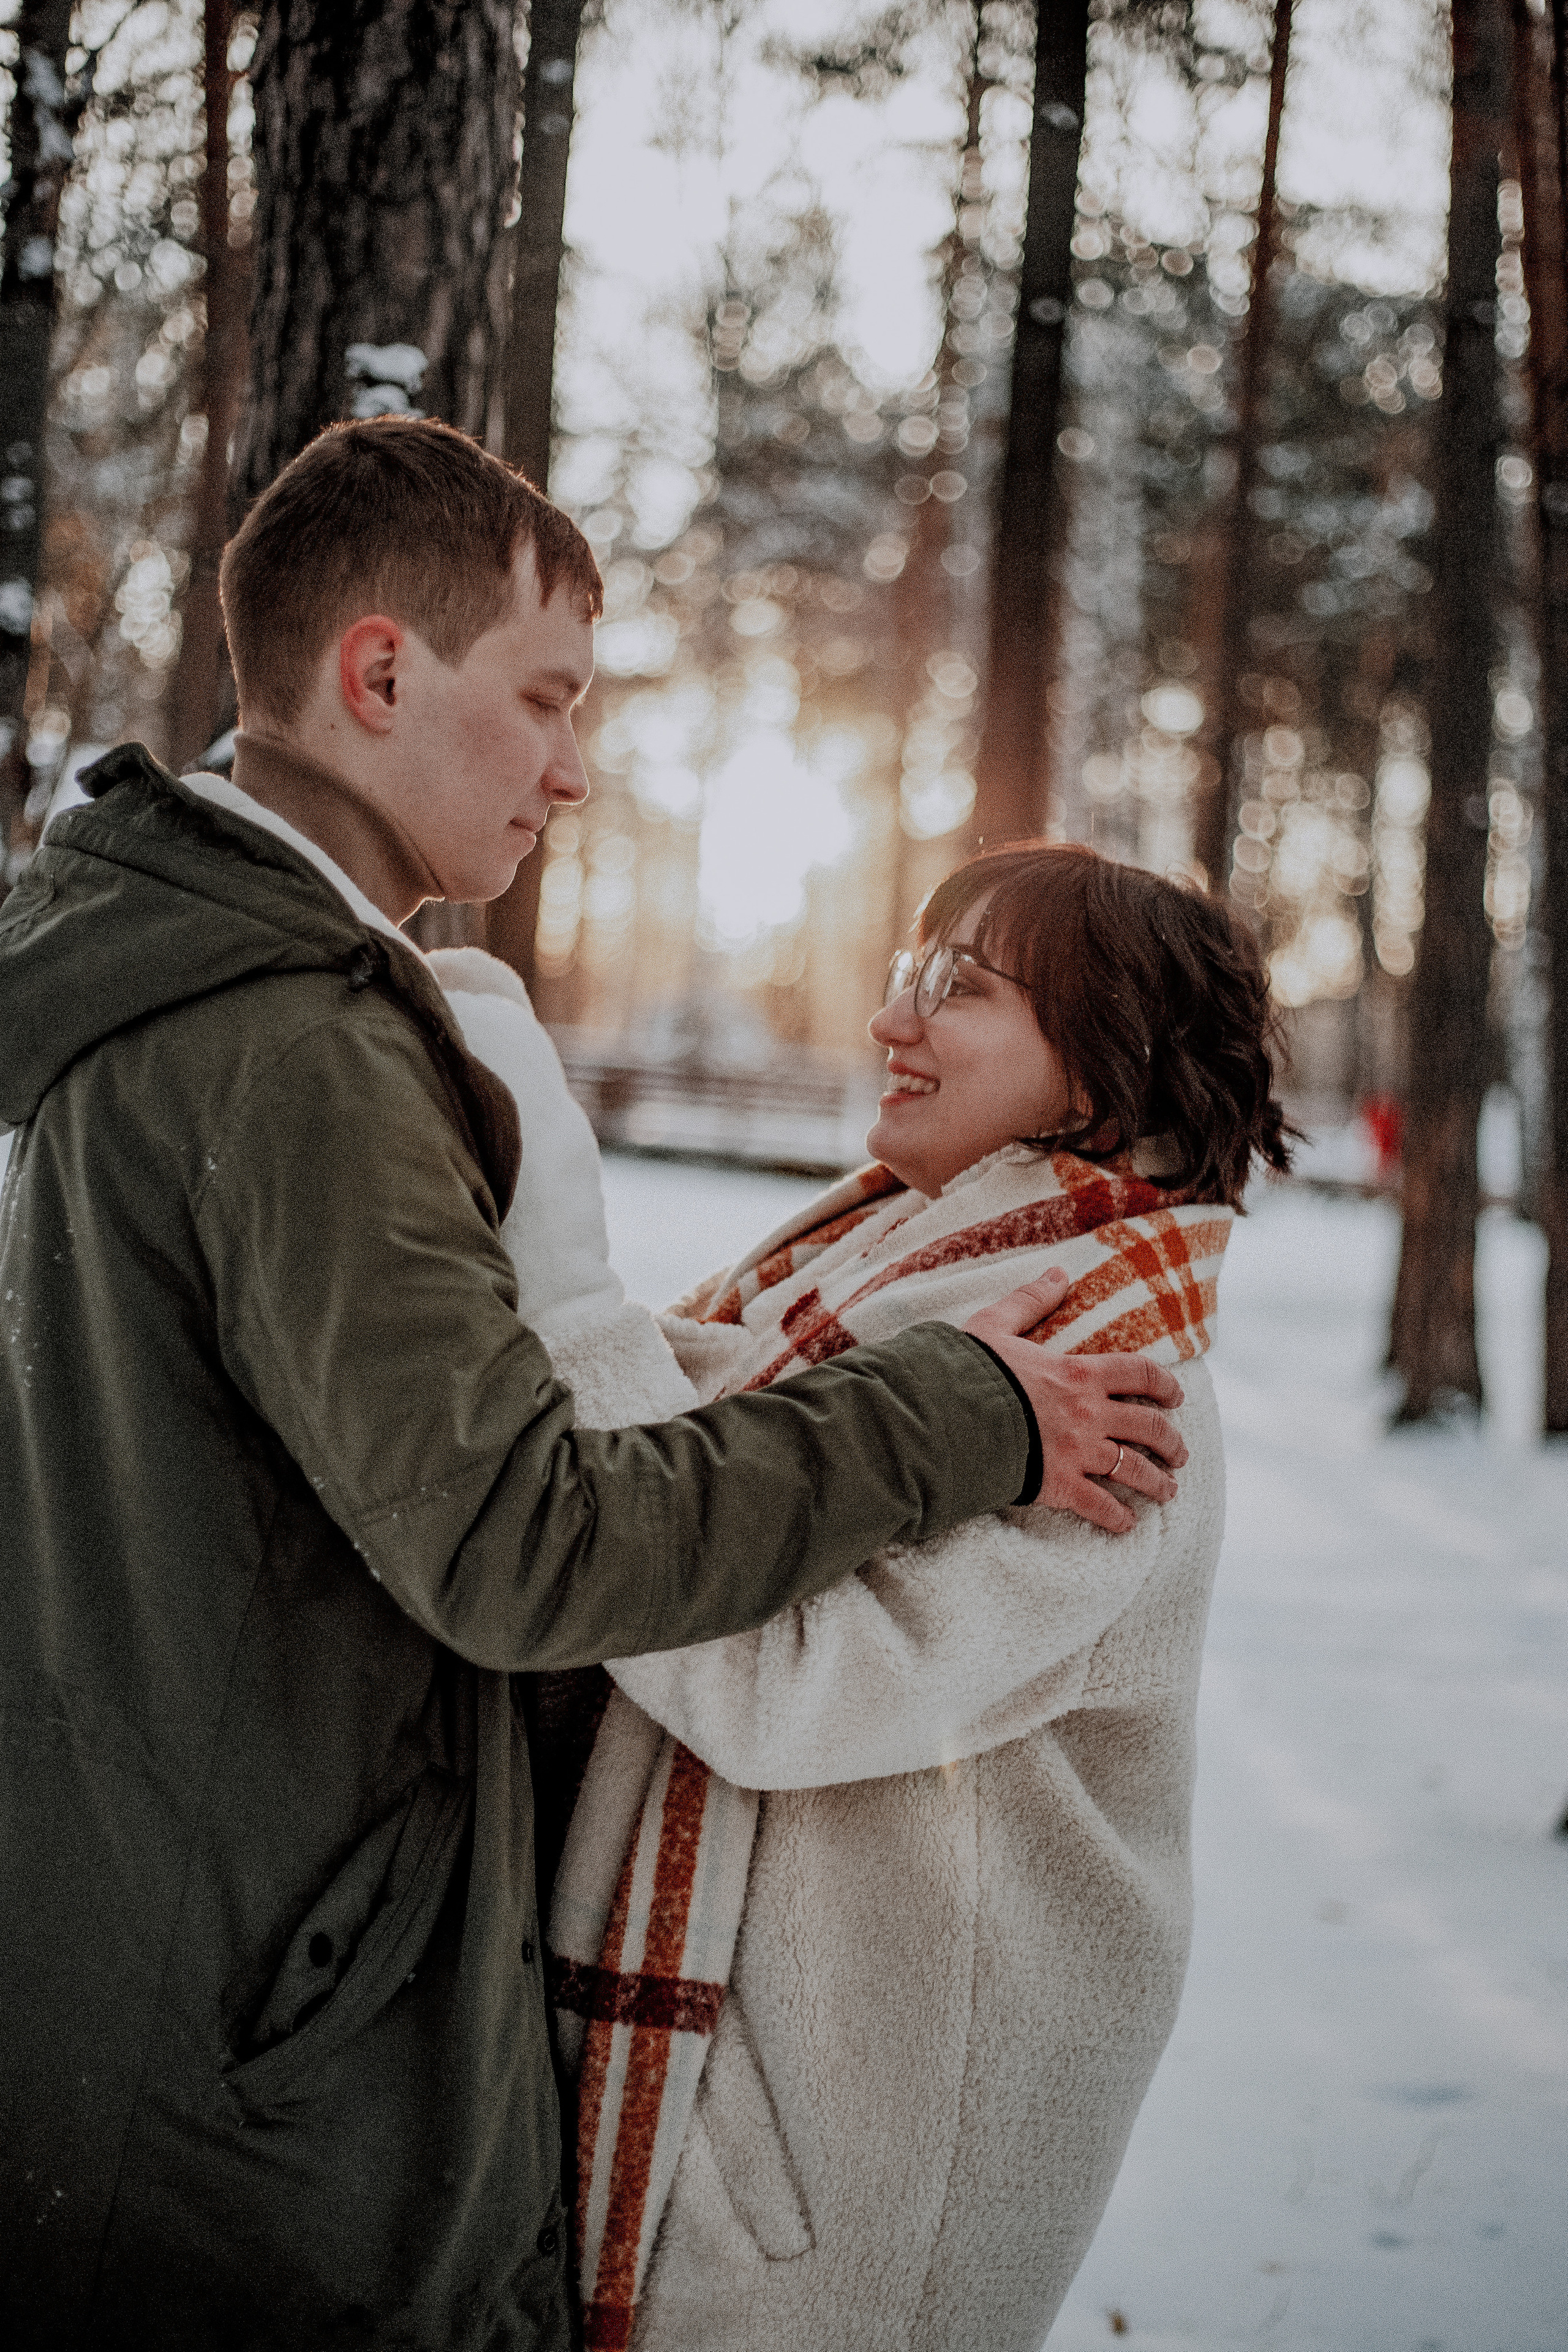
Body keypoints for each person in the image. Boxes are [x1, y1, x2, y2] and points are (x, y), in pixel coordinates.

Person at [0, 418, 1186, 2352]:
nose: (575, 766)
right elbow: (526, 1542)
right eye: (546, 699)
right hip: (265, 2084)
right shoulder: (295, 1047)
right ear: (379, 673)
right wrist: (958, 1413)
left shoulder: (158, 987)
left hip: (179, 1985)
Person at [466, 843, 1293, 2351]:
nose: (888, 1023)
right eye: (909, 974)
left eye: (956, 991)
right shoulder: (864, 1274)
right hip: (724, 2120)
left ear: (1103, 1073)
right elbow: (715, 1433)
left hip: (834, 2214)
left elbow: (781, 1679)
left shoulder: (1109, 1387)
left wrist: (574, 1298)